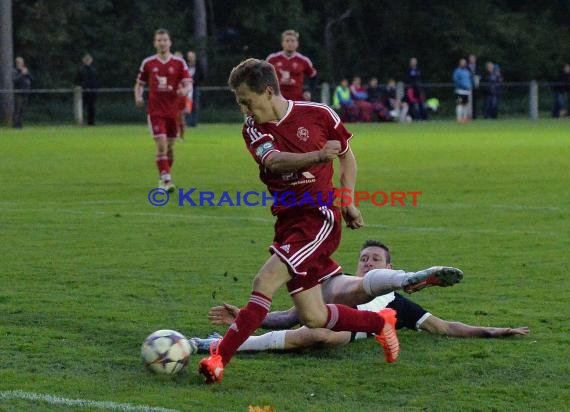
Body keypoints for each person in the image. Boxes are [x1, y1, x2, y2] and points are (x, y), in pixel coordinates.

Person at [198, 58, 402, 384]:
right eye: (240, 103)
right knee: (314, 316)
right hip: (288, 222)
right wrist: (318, 155)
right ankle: (381, 324)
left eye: (247, 101)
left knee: (264, 282)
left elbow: (347, 155)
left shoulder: (319, 114)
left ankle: (219, 359)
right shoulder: (253, 129)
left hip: (318, 218)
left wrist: (347, 201)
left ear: (267, 91)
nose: (244, 109)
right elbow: (275, 161)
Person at [200, 240, 528, 353]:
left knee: (323, 334)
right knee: (314, 326)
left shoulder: (398, 305)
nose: (367, 260)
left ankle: (217, 344)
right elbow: (288, 316)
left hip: (345, 333)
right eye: (364, 258)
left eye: (375, 259)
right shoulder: (333, 284)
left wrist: (491, 331)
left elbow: (443, 327)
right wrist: (247, 317)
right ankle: (221, 341)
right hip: (325, 320)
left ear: (386, 265)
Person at [134, 29, 191, 192]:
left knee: (170, 147)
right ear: (155, 43)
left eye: (165, 40)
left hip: (173, 113)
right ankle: (166, 179)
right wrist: (138, 96)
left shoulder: (179, 63)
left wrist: (185, 91)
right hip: (155, 112)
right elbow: (139, 83)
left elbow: (188, 82)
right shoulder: (148, 63)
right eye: (159, 40)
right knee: (161, 145)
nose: (162, 43)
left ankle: (164, 175)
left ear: (170, 42)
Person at [266, 30, 317, 101]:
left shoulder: (304, 60)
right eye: (287, 41)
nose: (290, 43)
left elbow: (313, 77)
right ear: (282, 43)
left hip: (296, 100)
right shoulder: (272, 59)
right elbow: (264, 76)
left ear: (297, 43)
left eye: (292, 41)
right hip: (276, 100)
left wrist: (308, 91)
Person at [74, 54, 99, 126]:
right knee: (82, 106)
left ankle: (91, 122)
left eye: (89, 60)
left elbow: (95, 80)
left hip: (92, 91)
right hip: (83, 91)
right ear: (84, 61)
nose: (88, 61)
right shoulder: (81, 69)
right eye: (86, 60)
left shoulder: (93, 70)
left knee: (92, 107)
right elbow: (77, 80)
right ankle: (79, 122)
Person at [185, 50, 204, 127]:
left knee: (195, 105)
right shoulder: (185, 65)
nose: (191, 58)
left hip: (195, 87)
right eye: (189, 57)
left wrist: (195, 81)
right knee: (187, 105)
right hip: (186, 88)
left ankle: (194, 123)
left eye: (192, 56)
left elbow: (202, 75)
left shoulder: (199, 65)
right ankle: (187, 122)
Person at [12, 57, 33, 129]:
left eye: (22, 62)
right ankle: (15, 124)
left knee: (23, 109)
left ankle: (20, 124)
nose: (21, 64)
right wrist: (22, 74)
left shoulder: (25, 70)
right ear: (17, 63)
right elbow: (15, 80)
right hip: (18, 93)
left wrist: (27, 73)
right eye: (19, 63)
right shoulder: (14, 71)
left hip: (26, 92)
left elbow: (32, 79)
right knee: (18, 108)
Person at [453, 58, 472, 123]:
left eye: (464, 62)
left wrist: (469, 86)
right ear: (460, 63)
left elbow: (469, 80)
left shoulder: (467, 71)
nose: (463, 64)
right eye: (462, 62)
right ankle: (459, 118)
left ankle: (464, 118)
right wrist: (462, 86)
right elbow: (456, 80)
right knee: (459, 104)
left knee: (465, 105)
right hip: (460, 91)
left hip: (466, 91)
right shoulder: (457, 71)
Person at [467, 54, 480, 119]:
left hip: (474, 87)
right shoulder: (466, 67)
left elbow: (479, 75)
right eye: (471, 58)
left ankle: (474, 116)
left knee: (474, 102)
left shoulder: (477, 67)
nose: (472, 60)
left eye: (473, 58)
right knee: (464, 102)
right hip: (466, 88)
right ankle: (465, 116)